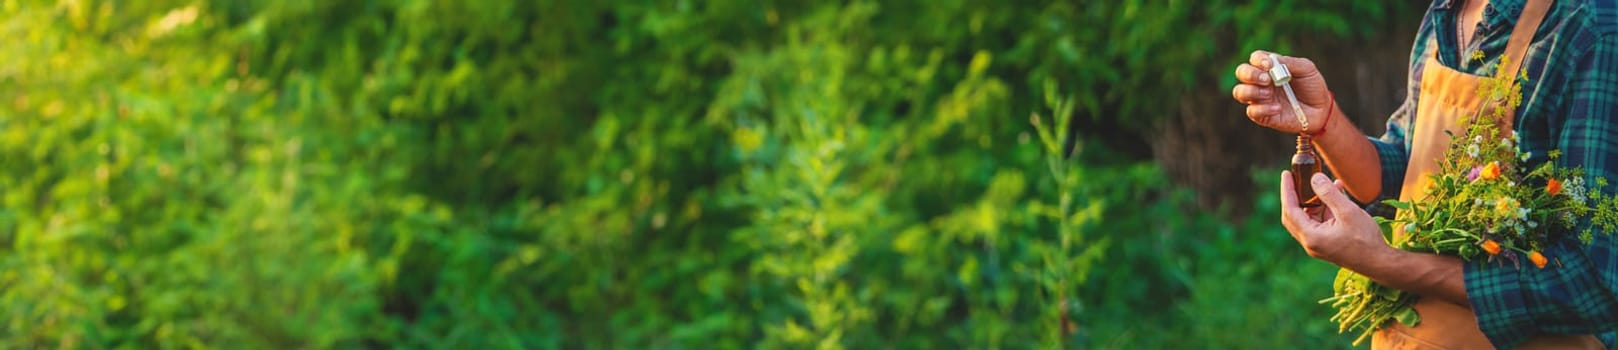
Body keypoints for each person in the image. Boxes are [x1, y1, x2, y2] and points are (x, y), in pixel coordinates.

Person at [1230, 0, 1618, 348]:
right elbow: (1409, 168)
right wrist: (1325, 123)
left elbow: (1593, 286)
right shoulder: (1445, 13)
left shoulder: (1592, 27)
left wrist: (1383, 263)